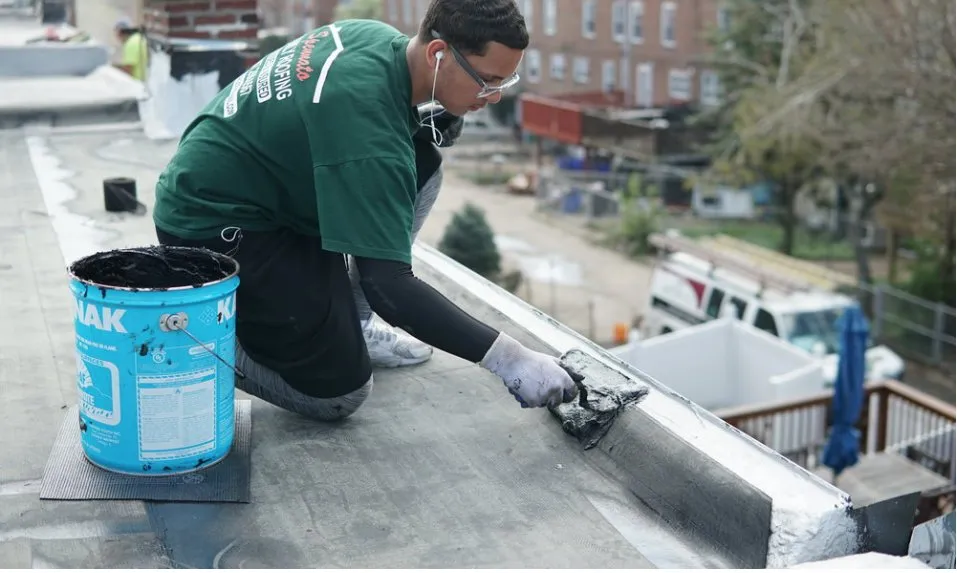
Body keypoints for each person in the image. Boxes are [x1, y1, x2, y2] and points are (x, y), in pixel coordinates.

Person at [151, 0, 579, 421]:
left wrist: (432, 110)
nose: (494, 97)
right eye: (486, 82)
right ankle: (196, 339)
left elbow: (344, 113)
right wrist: (512, 359)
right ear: (437, 53)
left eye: (503, 83)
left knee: (422, 165)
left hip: (258, 186)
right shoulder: (370, 141)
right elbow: (390, 287)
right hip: (211, 223)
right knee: (339, 394)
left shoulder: (373, 38)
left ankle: (354, 325)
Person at [112, 17, 148, 81]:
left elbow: (128, 70)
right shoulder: (138, 39)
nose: (117, 37)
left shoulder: (131, 44)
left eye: (116, 33)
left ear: (120, 32)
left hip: (135, 84)